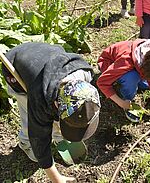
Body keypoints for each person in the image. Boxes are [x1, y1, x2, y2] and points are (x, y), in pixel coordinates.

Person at [1, 42, 101, 183]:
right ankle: (25, 143)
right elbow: (39, 138)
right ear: (55, 103)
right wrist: (56, 178)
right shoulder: (39, 98)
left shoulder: (84, 74)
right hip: (16, 69)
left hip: (48, 56)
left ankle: (58, 135)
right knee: (27, 113)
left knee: (60, 114)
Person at [97, 38, 150, 122]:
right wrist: (121, 103)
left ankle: (138, 81)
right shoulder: (126, 61)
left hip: (134, 68)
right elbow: (102, 82)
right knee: (132, 77)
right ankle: (127, 98)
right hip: (110, 66)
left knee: (145, 84)